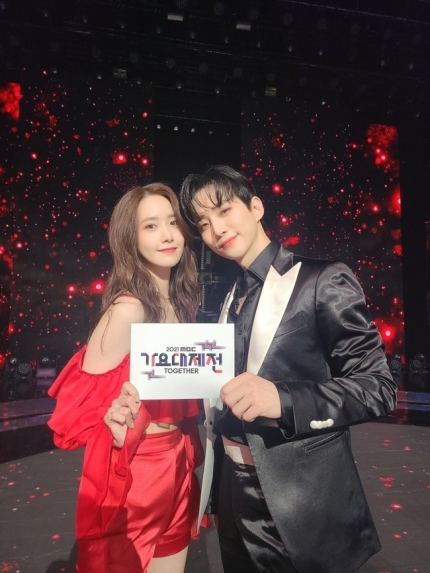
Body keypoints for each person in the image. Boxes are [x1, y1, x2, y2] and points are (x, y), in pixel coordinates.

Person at [179, 165, 397, 573]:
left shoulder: (322, 279)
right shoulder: (231, 296)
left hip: (301, 498)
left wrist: (283, 399)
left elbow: (378, 387)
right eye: (204, 224)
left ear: (256, 207)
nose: (216, 229)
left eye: (224, 210)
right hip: (232, 491)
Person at [48, 183, 205, 573]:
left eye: (172, 222)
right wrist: (113, 417)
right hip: (138, 472)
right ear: (129, 239)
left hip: (178, 459)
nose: (167, 235)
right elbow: (73, 414)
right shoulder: (129, 310)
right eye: (150, 226)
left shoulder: (182, 303)